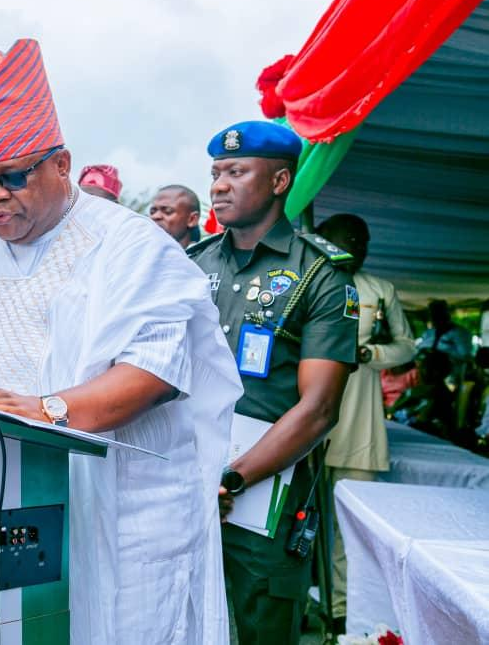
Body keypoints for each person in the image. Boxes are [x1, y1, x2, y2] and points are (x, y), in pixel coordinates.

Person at [0, 38, 242, 644]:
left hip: (115, 516)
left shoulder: (133, 247)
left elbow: (156, 370)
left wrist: (48, 411)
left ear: (61, 165)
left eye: (13, 175)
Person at [188, 120, 358, 645]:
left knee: (261, 628)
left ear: (280, 181)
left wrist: (231, 478)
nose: (219, 185)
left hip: (261, 495)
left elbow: (319, 408)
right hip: (181, 481)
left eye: (237, 172)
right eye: (216, 173)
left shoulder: (321, 275)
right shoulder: (189, 266)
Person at [315, 213, 414, 631]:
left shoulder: (380, 290)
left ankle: (343, 611)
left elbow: (406, 346)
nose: (355, 244)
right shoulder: (305, 280)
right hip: (306, 411)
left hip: (359, 414)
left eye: (362, 239)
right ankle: (311, 600)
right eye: (345, 238)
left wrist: (372, 355)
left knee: (352, 523)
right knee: (304, 518)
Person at [417, 299, 472, 388]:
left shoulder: (460, 333)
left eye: (439, 313)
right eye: (433, 314)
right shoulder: (428, 333)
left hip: (449, 375)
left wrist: (443, 357)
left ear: (447, 314)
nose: (435, 317)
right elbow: (419, 349)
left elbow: (465, 356)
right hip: (425, 373)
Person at [150, 184, 201, 250]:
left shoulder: (207, 258)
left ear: (192, 219)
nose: (155, 216)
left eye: (167, 211)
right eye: (152, 212)